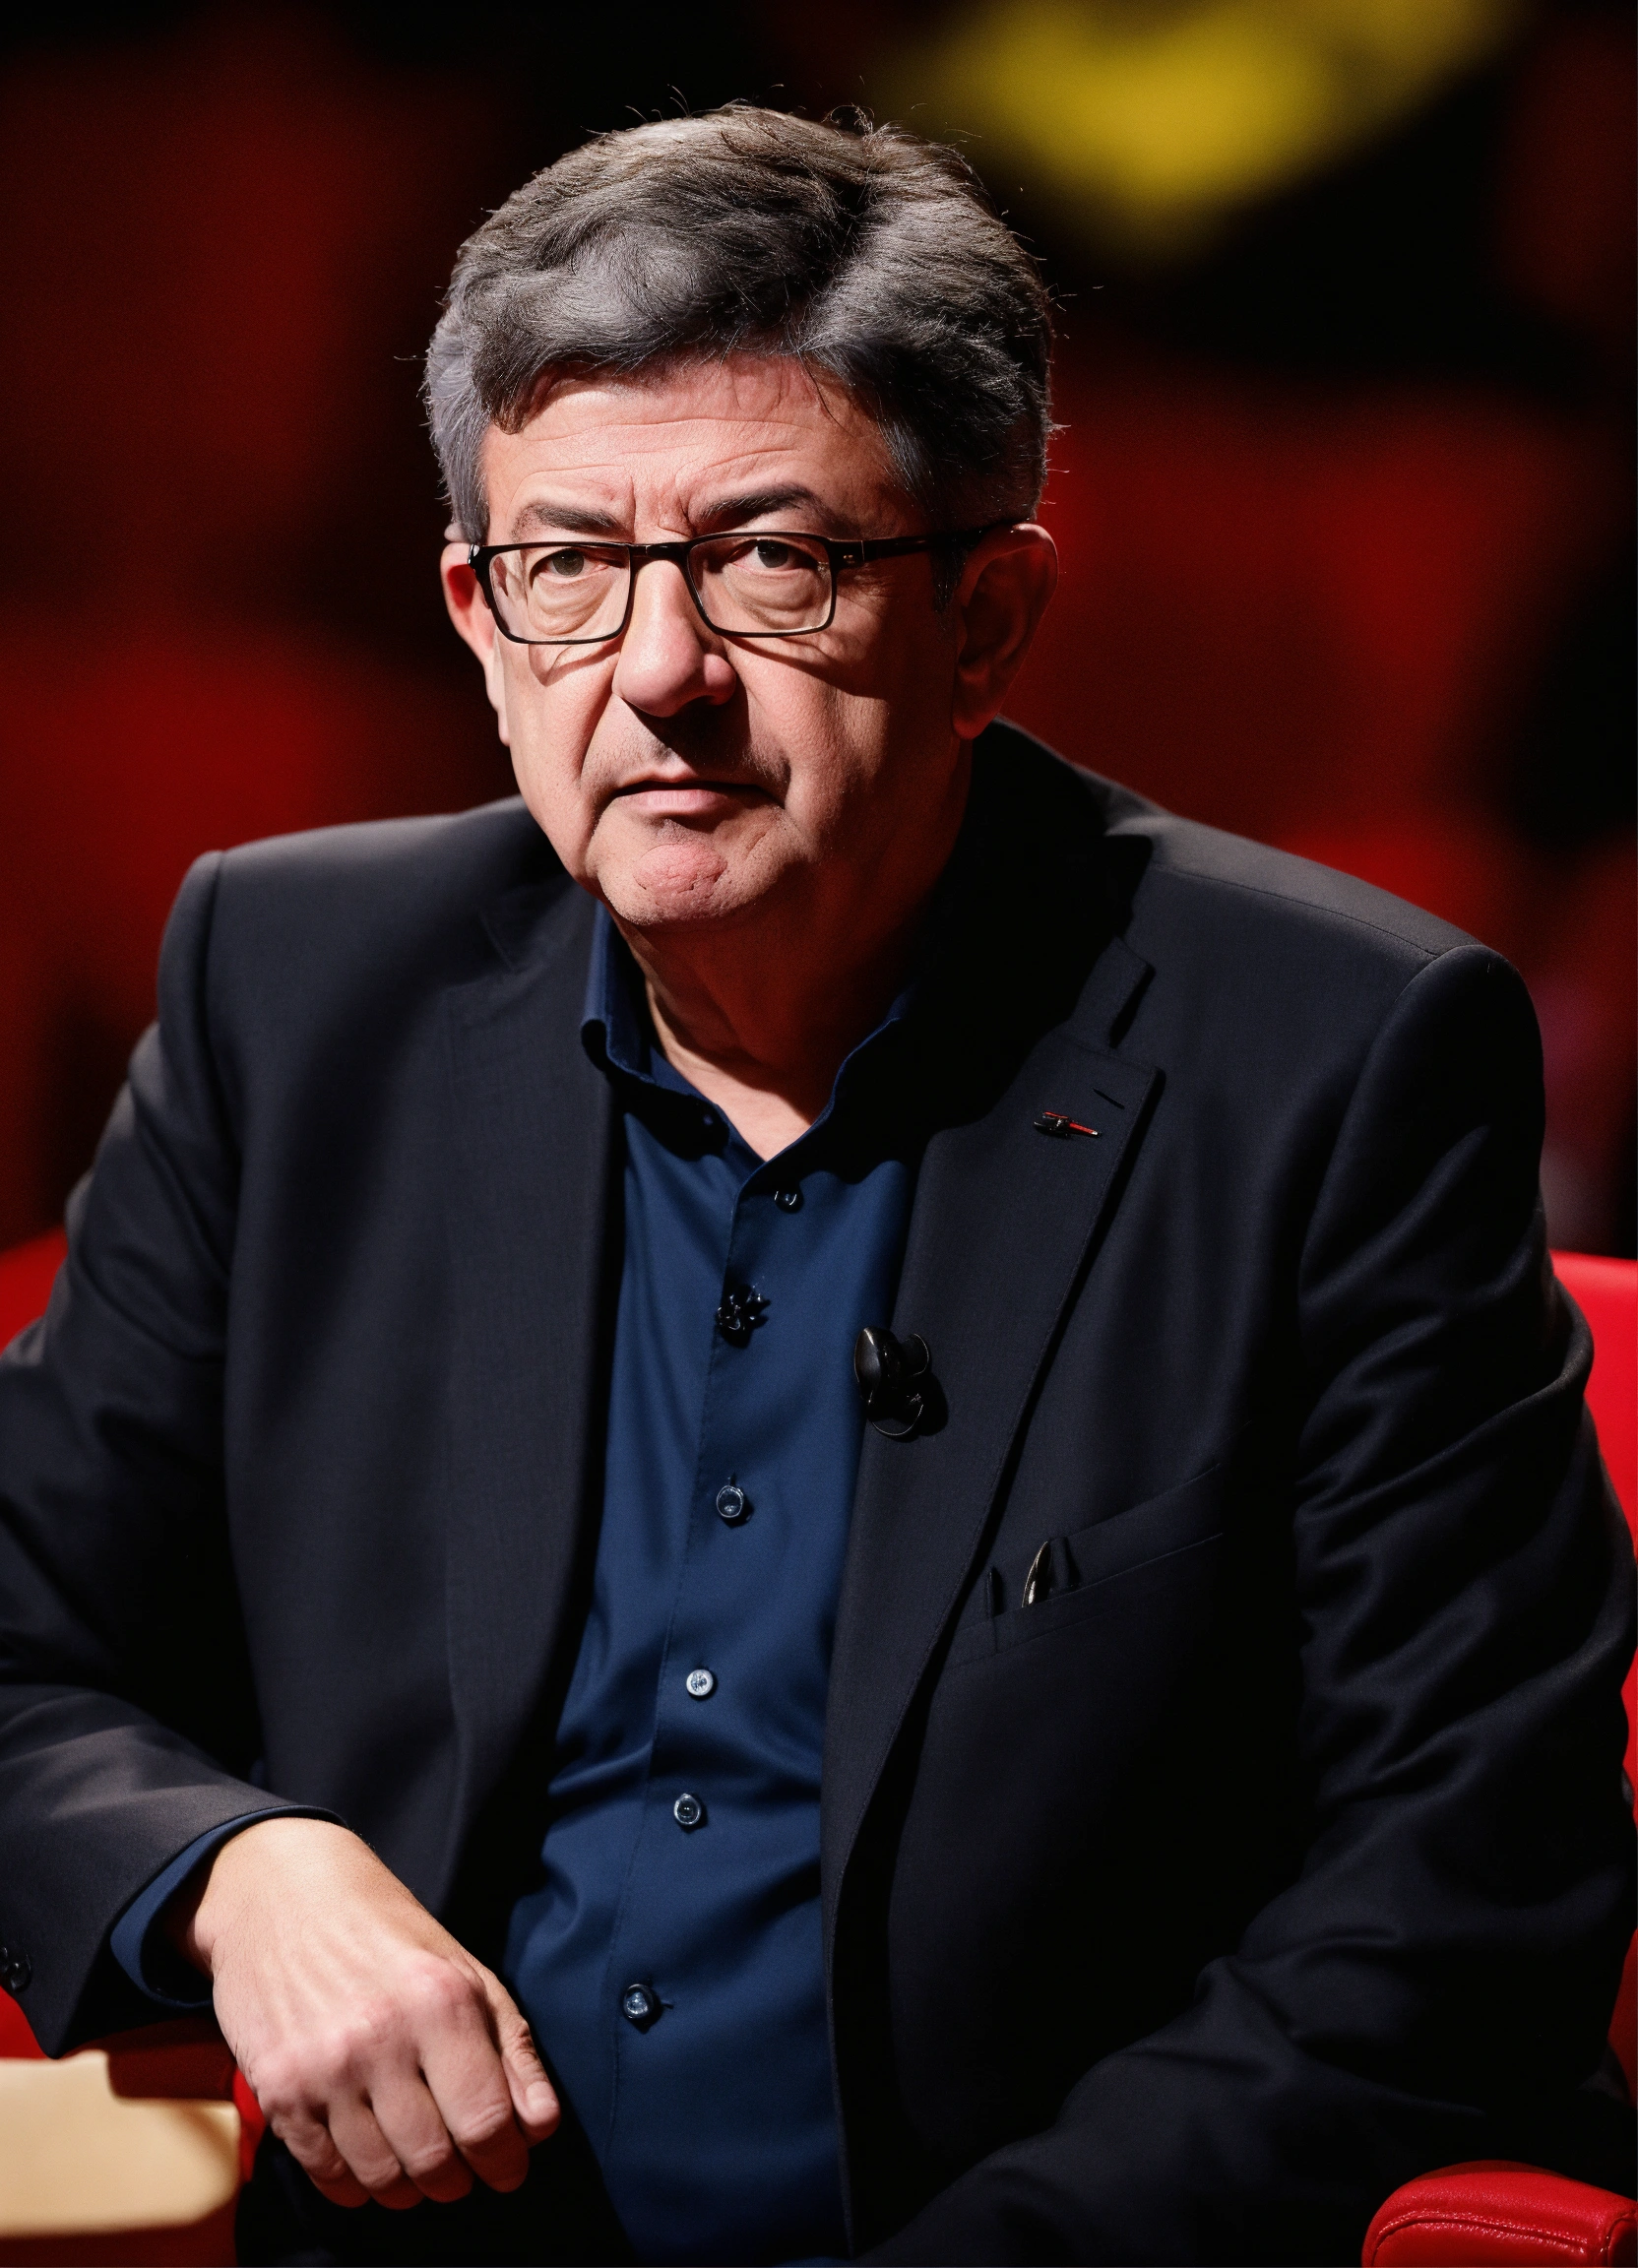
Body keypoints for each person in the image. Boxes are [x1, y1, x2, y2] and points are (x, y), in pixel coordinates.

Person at [0, 106, 1630, 2268]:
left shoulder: (1331, 1062)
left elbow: (1462, 1890)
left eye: (773, 562)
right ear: (477, 618)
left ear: (986, 618)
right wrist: (232, 1869)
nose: (658, 674)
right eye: (569, 568)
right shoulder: (295, 996)